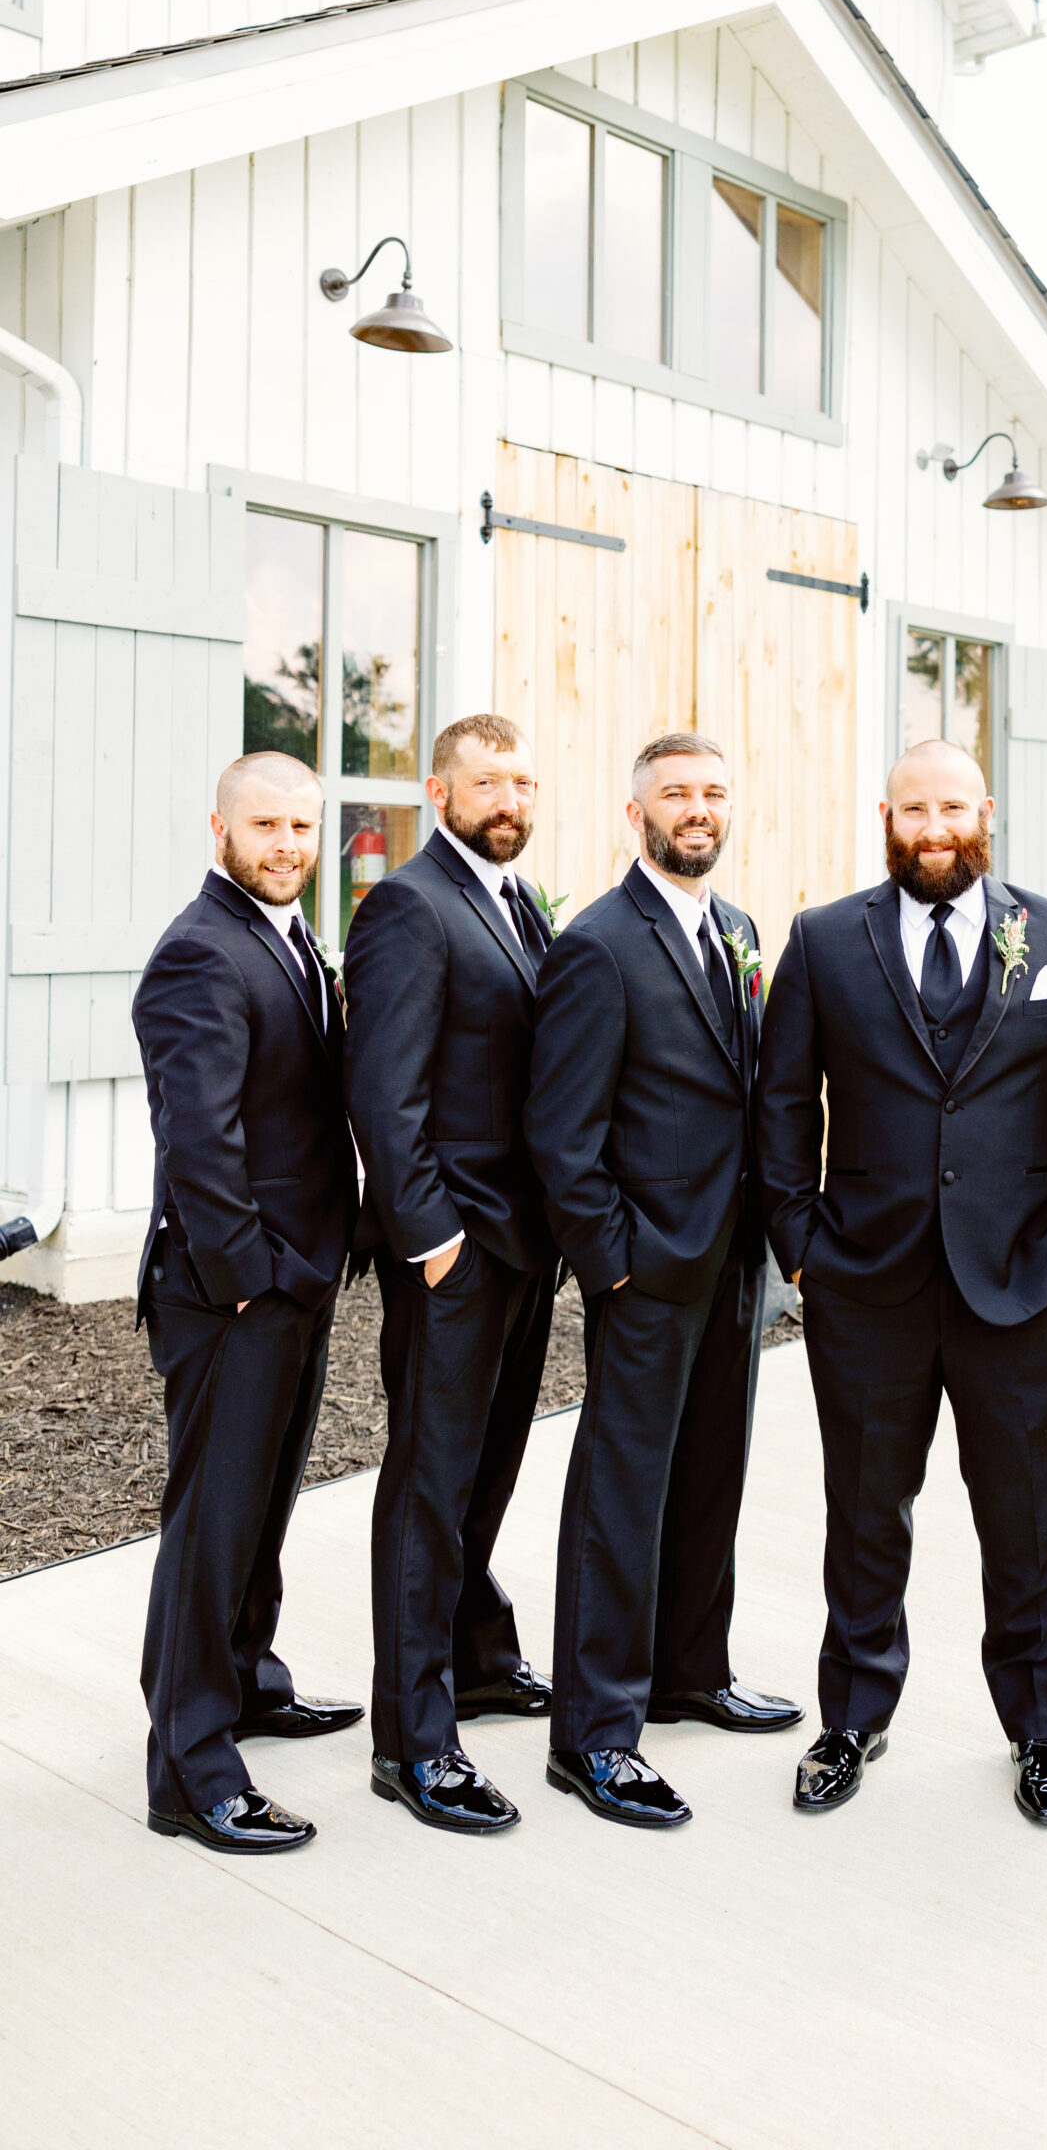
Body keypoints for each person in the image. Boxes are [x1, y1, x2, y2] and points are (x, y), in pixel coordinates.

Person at [756, 739, 1047, 1826]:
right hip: (862, 1281)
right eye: (914, 808)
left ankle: (1039, 1731)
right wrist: (798, 1241)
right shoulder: (828, 939)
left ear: (987, 811)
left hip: (1022, 1280)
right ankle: (853, 1716)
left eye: (952, 807)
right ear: (887, 815)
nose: (934, 827)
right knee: (866, 1511)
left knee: (1021, 1517)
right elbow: (783, 1101)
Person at [524, 732, 802, 1829]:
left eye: (713, 792)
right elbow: (562, 1127)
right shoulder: (598, 943)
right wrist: (613, 1261)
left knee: (710, 1474)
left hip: (733, 1259)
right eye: (676, 793)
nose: (698, 808)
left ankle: (691, 1669)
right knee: (621, 1491)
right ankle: (593, 1732)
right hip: (647, 1266)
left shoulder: (734, 929)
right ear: (634, 812)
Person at [132, 752, 361, 1854]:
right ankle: (189, 1766)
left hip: (296, 1277)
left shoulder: (291, 938)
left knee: (262, 1508)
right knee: (213, 1526)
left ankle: (246, 1678)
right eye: (265, 824)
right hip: (234, 1292)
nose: (286, 846)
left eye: (303, 828)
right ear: (216, 826)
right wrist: (249, 1281)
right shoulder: (197, 951)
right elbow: (200, 1146)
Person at [343, 714, 559, 1836]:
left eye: (522, 777)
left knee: (487, 1475)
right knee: (428, 1489)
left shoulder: (520, 903)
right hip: (454, 1256)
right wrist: (430, 1238)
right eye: (486, 780)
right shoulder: (407, 907)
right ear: (440, 790)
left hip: (525, 1248)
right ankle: (412, 1740)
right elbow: (383, 1090)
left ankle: (476, 1659)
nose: (509, 796)